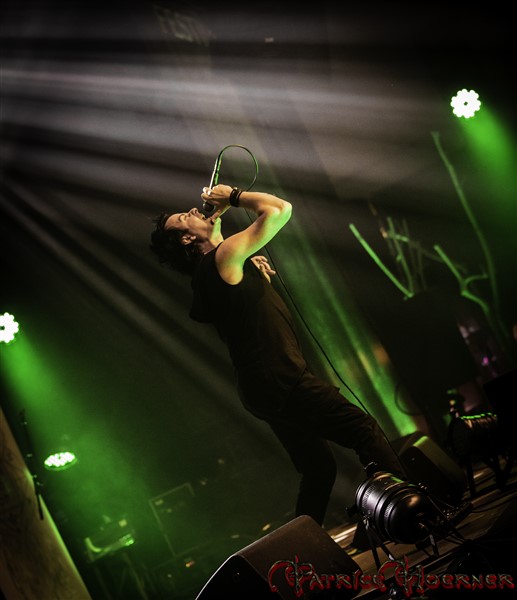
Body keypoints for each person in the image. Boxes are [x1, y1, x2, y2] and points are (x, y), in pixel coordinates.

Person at [150, 183, 406, 527]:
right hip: (279, 379)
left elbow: (245, 314)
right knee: (363, 430)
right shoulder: (222, 257)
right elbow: (279, 210)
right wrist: (233, 197)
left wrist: (255, 276)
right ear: (185, 239)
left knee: (318, 468)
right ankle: (413, 516)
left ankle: (301, 552)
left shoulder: (218, 267)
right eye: (185, 217)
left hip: (262, 387)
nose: (194, 210)